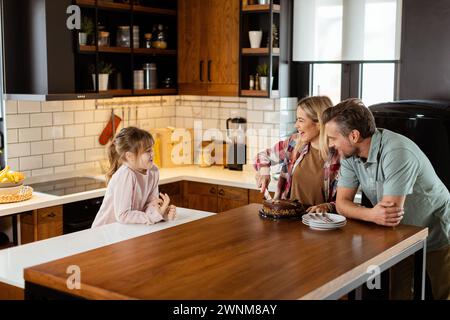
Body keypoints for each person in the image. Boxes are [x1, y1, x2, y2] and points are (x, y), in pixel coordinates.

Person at [322, 98, 450, 300]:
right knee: (398, 293)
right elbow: (341, 204)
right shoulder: (349, 156)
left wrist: (368, 214)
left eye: (332, 138)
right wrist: (372, 213)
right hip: (398, 234)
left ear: (354, 135)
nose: (330, 144)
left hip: (434, 225)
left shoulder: (397, 152)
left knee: (443, 292)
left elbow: (390, 215)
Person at [254, 96, 340, 213]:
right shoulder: (294, 143)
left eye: (301, 120)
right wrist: (264, 173)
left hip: (319, 224)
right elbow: (262, 156)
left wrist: (327, 207)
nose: (296, 125)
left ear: (319, 123)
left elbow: (343, 202)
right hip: (287, 220)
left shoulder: (339, 155)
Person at [92, 127, 176, 228]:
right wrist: (153, 217)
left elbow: (150, 204)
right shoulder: (126, 175)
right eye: (148, 151)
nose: (153, 154)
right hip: (105, 233)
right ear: (130, 156)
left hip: (126, 230)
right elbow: (123, 215)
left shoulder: (153, 171)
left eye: (152, 149)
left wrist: (161, 212)